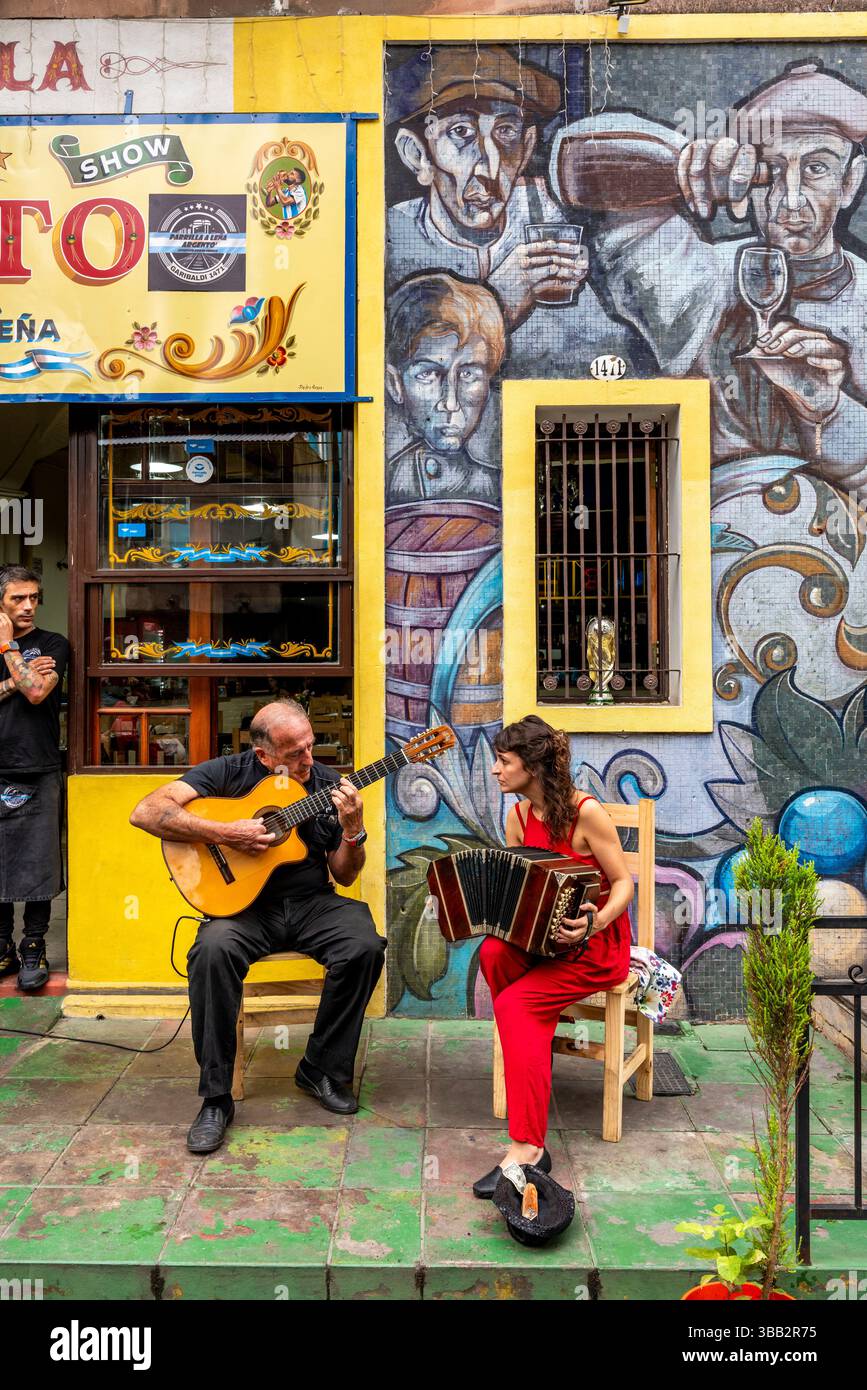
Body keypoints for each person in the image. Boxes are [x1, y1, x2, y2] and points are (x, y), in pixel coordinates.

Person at [587, 61, 867, 485]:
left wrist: (826, 407)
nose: (789, 201)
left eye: (816, 169)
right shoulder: (704, 275)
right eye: (770, 171)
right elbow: (578, 161)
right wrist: (680, 165)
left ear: (850, 182)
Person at [129, 700, 385, 1154]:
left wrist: (353, 832)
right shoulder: (225, 774)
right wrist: (226, 834)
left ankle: (321, 1068)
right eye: (295, 754)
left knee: (363, 944)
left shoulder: (325, 785)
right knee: (210, 953)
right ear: (264, 756)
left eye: (310, 747)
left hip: (311, 903)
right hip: (242, 911)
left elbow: (344, 875)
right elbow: (146, 813)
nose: (308, 761)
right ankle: (216, 1097)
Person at [387, 45, 639, 376]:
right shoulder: (391, 236)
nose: (490, 169)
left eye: (506, 131)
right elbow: (407, 371)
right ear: (418, 155)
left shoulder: (551, 216)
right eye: (461, 132)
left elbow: (619, 353)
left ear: (527, 147)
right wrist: (504, 296)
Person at [472, 715, 634, 1199]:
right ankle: (530, 1047)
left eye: (504, 762)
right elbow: (522, 889)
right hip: (542, 944)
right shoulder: (518, 818)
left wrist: (596, 921)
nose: (496, 772)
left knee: (515, 1006)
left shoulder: (587, 814)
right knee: (493, 952)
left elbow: (624, 883)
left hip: (594, 946)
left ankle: (528, 1147)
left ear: (533, 767)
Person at [0, 566, 69, 992]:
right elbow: (25, 683)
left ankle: (33, 946)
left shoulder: (52, 644)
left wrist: (7, 647)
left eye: (33, 598)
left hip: (38, 765)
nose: (28, 606)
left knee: (39, 862)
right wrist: (16, 678)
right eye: (16, 600)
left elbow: (38, 692)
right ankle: (2, 946)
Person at [386, 272, 505, 504]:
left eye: (469, 374)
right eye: (428, 374)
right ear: (395, 384)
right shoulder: (387, 476)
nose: (450, 403)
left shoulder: (499, 478)